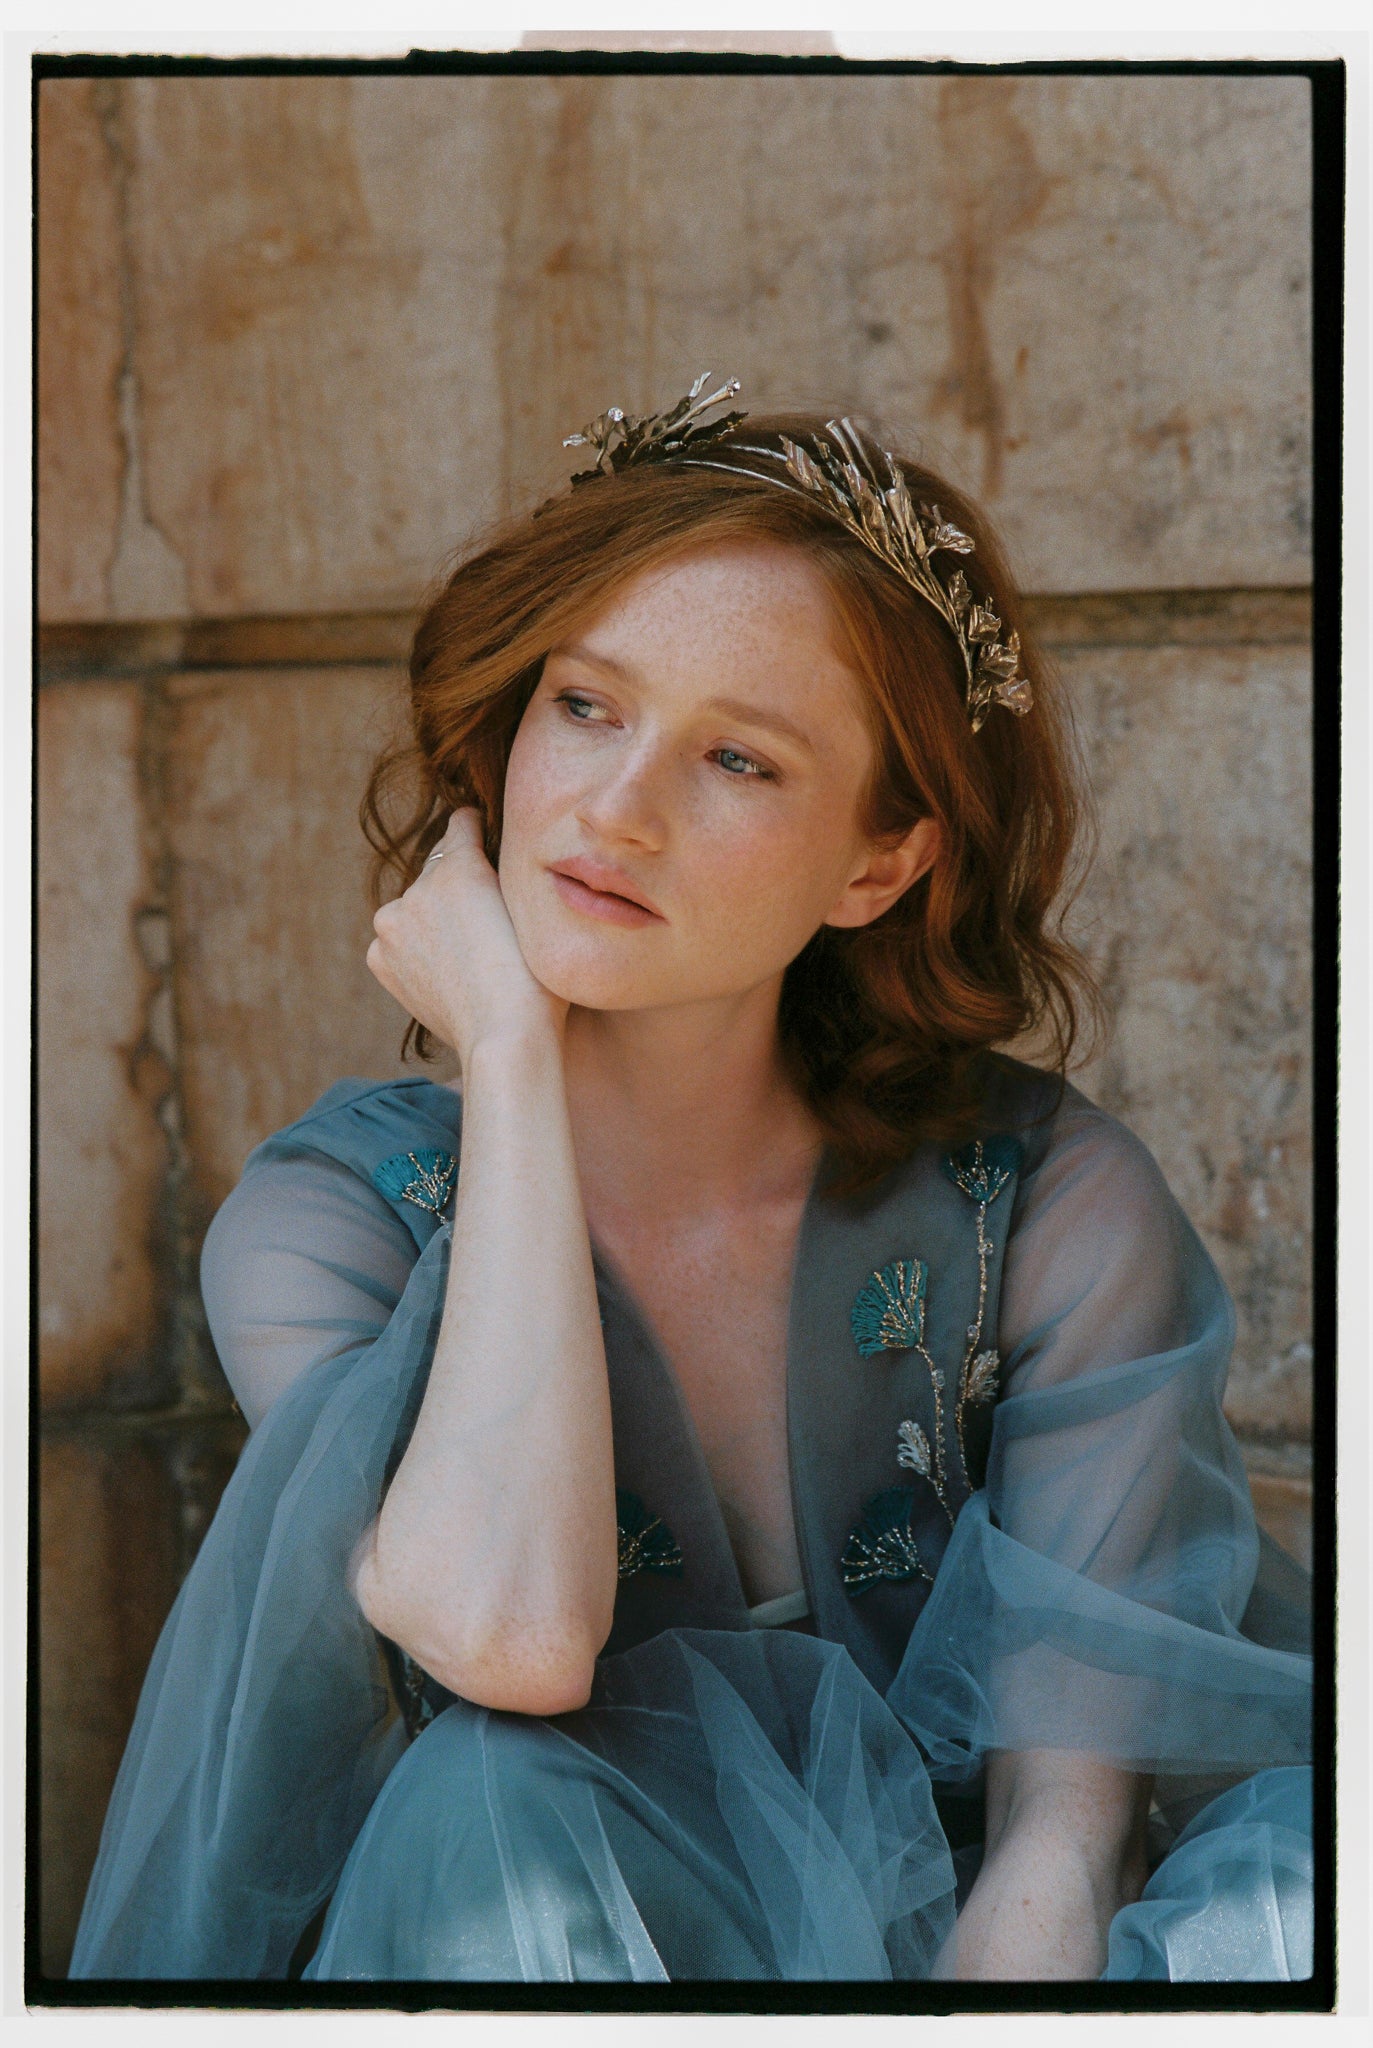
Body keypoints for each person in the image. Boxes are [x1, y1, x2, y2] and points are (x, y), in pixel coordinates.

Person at [69, 379, 1313, 1985]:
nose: (615, 809)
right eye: (583, 706)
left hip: (998, 1949)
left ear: (881, 863)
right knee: (488, 1799)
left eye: (737, 758)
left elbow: (1059, 1848)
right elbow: (508, 1644)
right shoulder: (330, 1226)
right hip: (544, 1945)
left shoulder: (1045, 1201)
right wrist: (510, 1061)